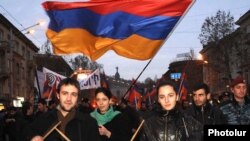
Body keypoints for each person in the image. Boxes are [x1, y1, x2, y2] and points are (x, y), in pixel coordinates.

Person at [25, 77, 100, 141]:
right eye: (65, 93)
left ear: (77, 97)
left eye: (73, 94)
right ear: (58, 95)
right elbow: (25, 134)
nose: (69, 99)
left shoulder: (89, 123)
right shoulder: (42, 119)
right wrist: (33, 137)